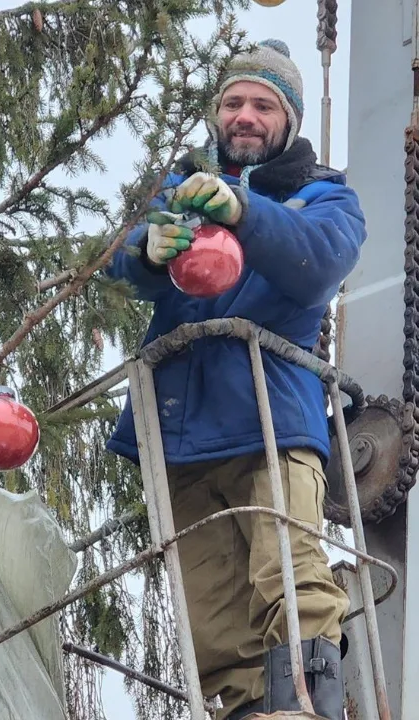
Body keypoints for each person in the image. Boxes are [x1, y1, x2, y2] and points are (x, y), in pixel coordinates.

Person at [105, 39, 366, 720]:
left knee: (289, 574)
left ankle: (307, 706)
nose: (245, 115)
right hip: (181, 437)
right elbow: (120, 259)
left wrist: (243, 213)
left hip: (270, 423)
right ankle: (253, 711)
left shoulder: (324, 198)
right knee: (210, 608)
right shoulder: (181, 188)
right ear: (217, 114)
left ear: (290, 120)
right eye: (233, 102)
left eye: (262, 104)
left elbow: (317, 262)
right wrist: (145, 251)